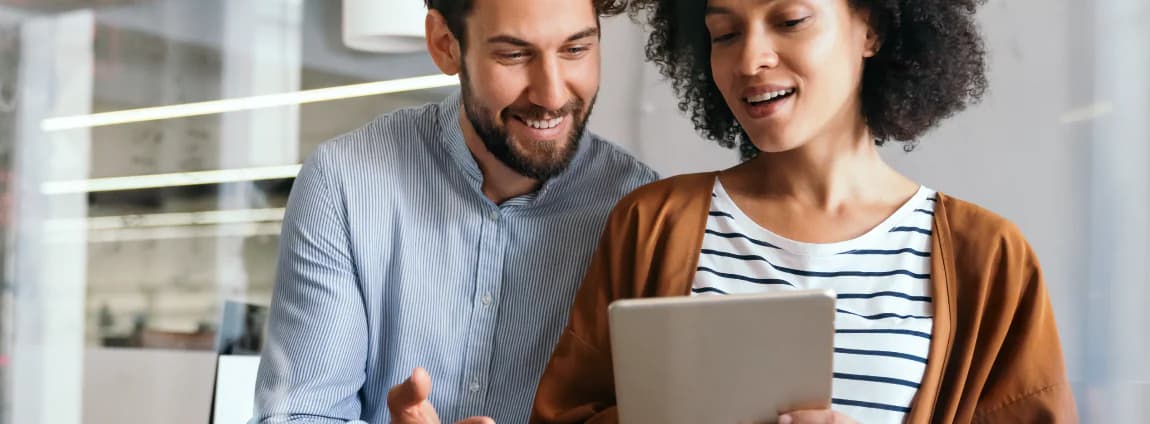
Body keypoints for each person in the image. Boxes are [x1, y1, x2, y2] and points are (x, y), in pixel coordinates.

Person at [532, 0, 1076, 422]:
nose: (750, 60)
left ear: (871, 28)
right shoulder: (653, 223)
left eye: (789, 20)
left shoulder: (988, 257)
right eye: (724, 34)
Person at [252, 0, 655, 422]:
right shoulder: (345, 181)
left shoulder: (642, 214)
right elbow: (299, 413)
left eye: (575, 50)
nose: (552, 94)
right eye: (514, 54)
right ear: (446, 45)